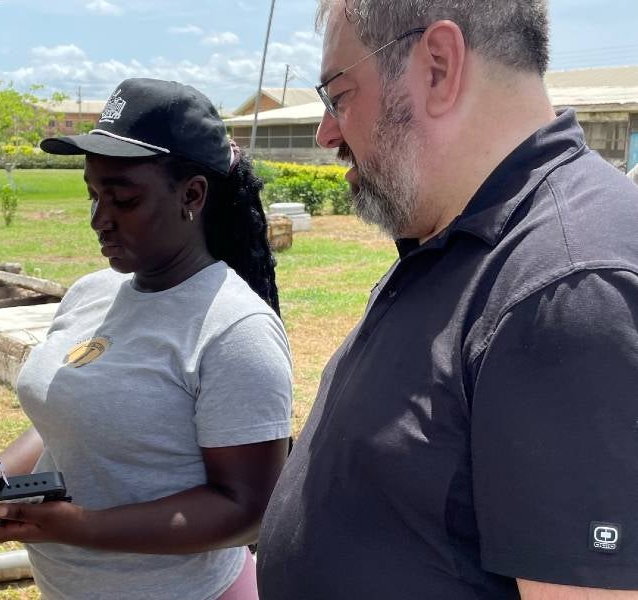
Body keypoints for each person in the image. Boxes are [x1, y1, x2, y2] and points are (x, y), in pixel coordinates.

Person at [257, 1, 638, 599]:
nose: (327, 131)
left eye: (338, 94)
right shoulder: (464, 239)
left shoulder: (567, 288)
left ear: (438, 66)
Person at [0, 78, 293, 600]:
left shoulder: (233, 329)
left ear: (192, 195)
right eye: (92, 194)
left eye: (123, 198)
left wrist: (76, 525)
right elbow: (65, 422)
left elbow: (248, 511)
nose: (98, 220)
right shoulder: (91, 293)